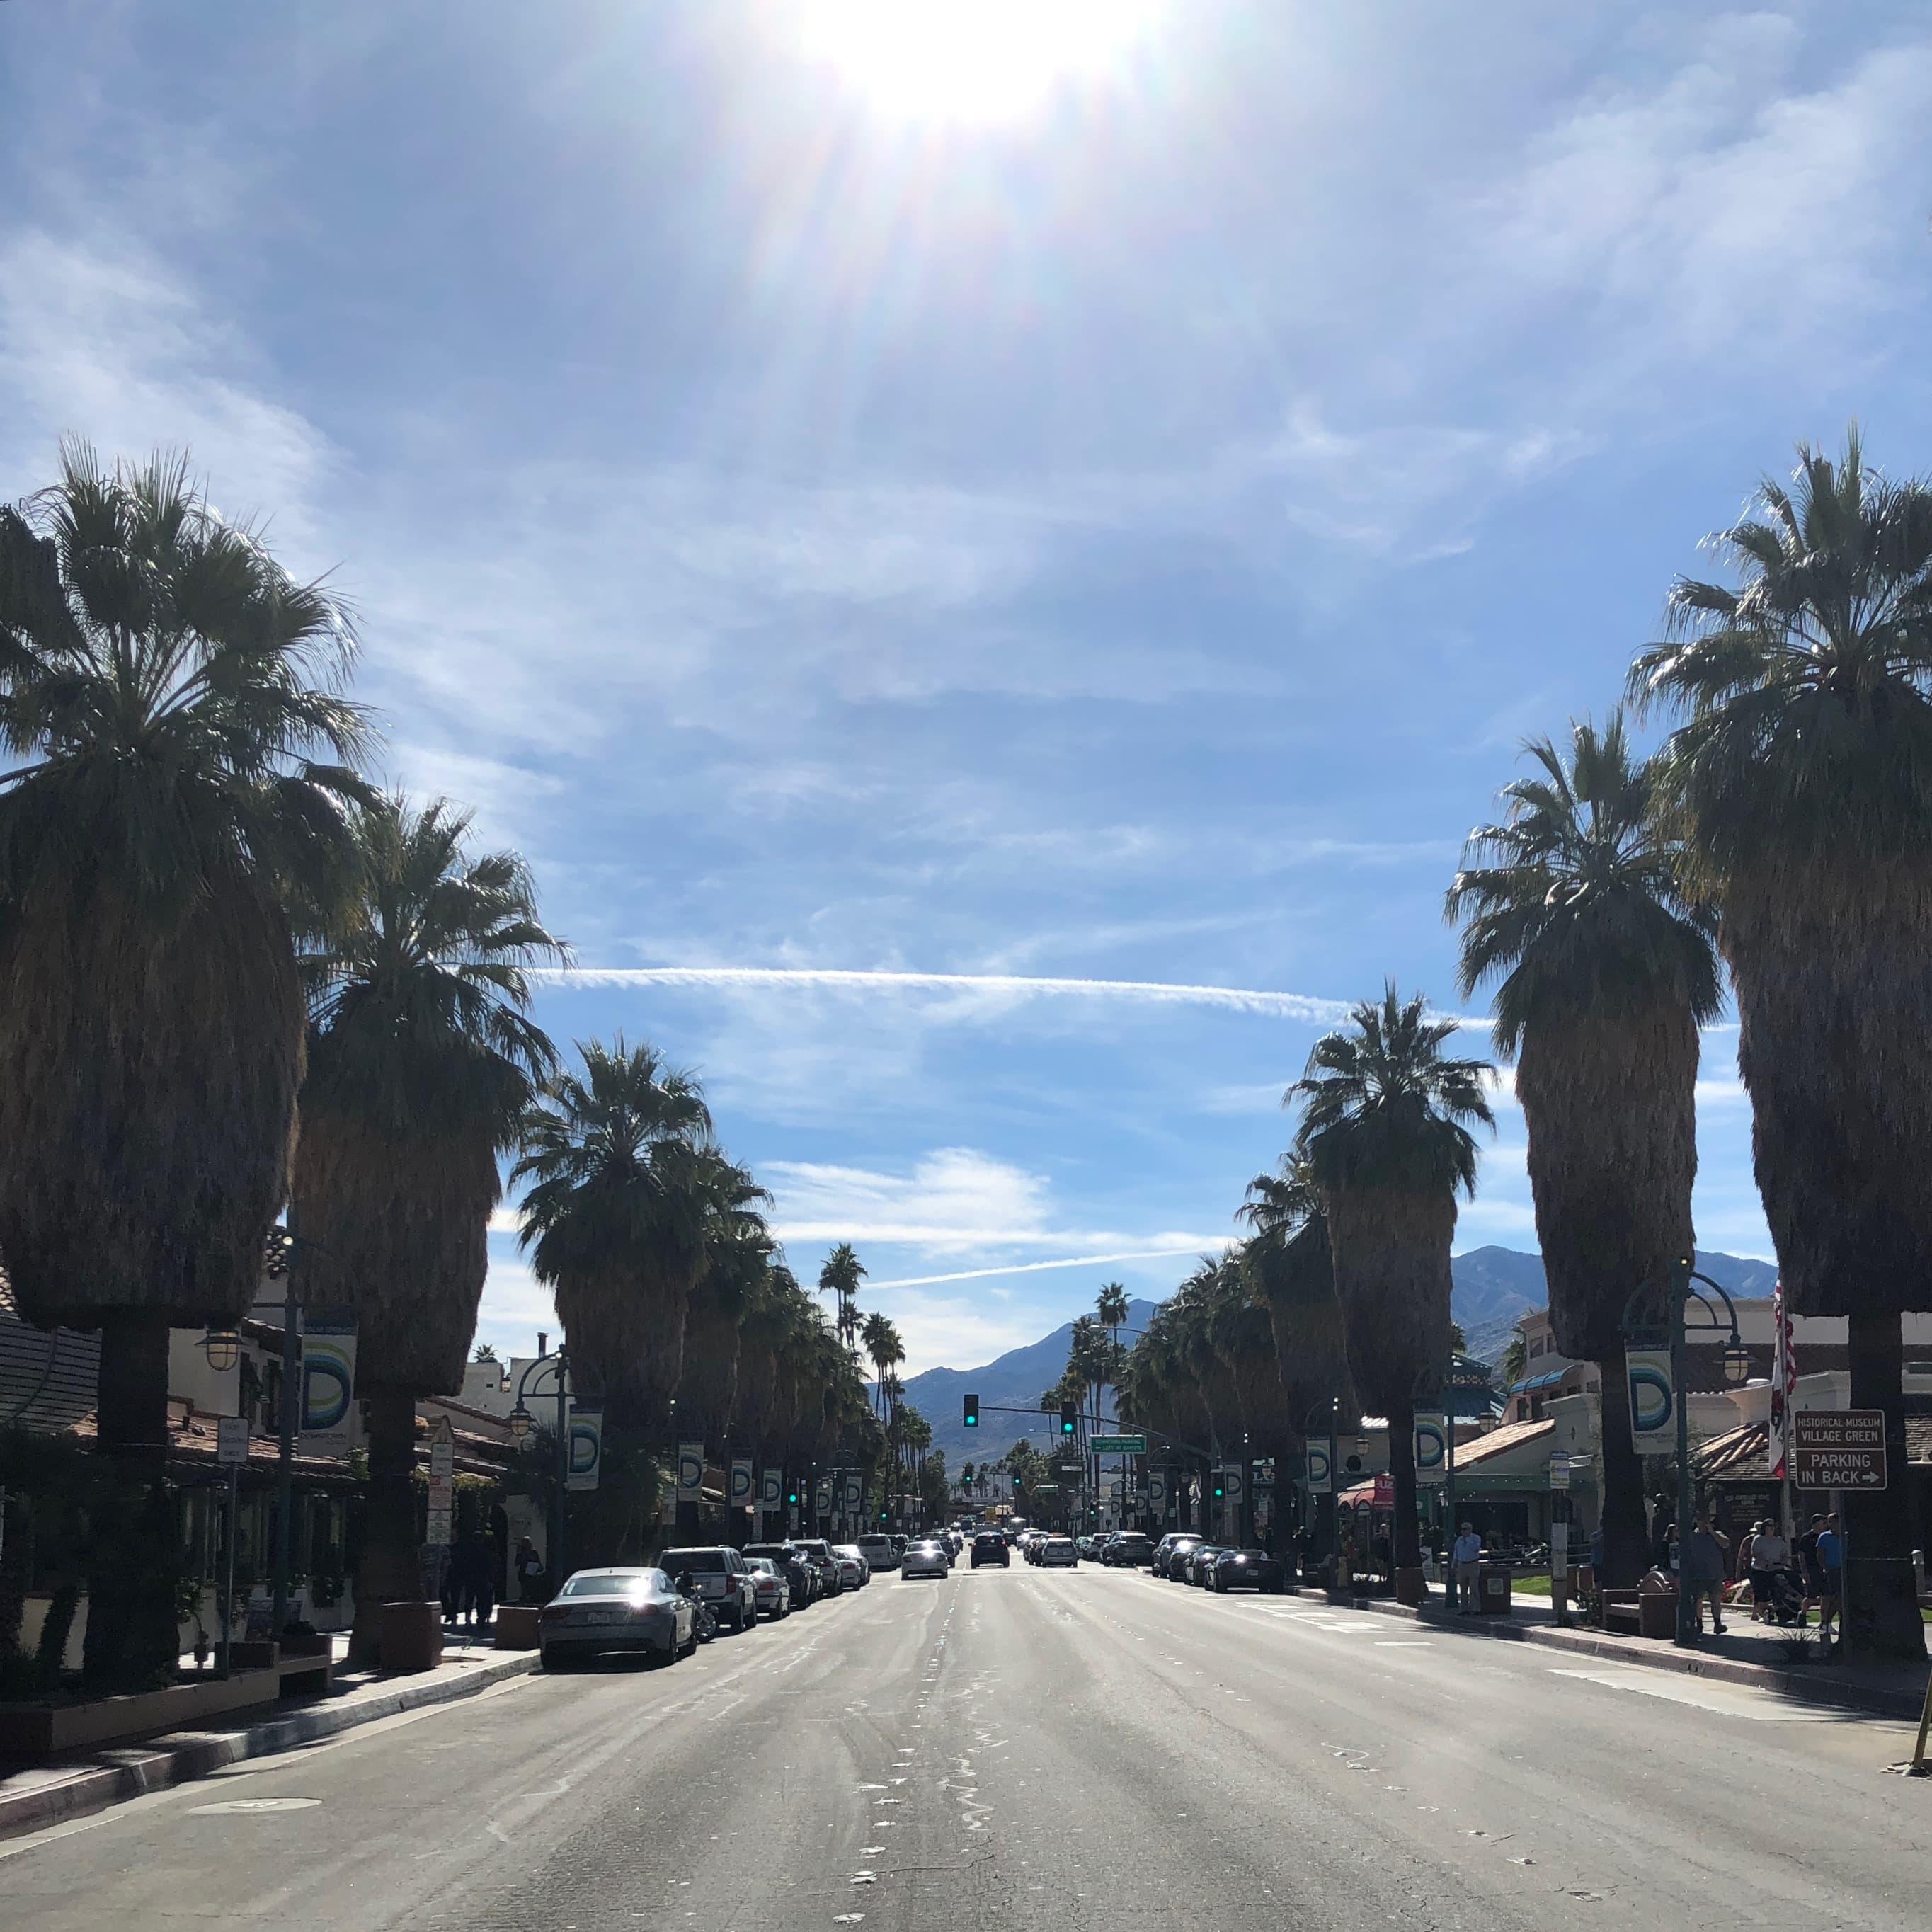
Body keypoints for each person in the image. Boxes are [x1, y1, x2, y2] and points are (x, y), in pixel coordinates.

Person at [1682, 1517, 1727, 1635]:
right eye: (1702, 1520)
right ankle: (1699, 1624)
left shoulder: (1717, 1534)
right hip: (1698, 1573)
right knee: (1699, 1599)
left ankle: (1718, 1624)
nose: (1705, 1523)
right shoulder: (1691, 1536)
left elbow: (1726, 1544)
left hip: (1715, 1572)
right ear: (1697, 1522)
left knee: (1716, 1599)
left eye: (1707, 1521)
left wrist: (1712, 1532)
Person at [1749, 1519, 1788, 1622]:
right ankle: (1763, 1614)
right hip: (1761, 1570)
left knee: (1777, 1591)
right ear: (1764, 1528)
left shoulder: (1779, 1541)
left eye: (1773, 1526)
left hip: (1776, 1569)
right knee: (1762, 1593)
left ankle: (1781, 1611)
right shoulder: (1759, 1539)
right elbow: (1755, 1554)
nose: (1772, 1528)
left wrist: (1782, 1563)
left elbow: (1784, 1554)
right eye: (1769, 1526)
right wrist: (1765, 1565)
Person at [1814, 1513, 1843, 1647]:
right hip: (1832, 1571)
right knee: (1835, 1596)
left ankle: (1828, 1621)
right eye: (1829, 1522)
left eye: (1833, 1521)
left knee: (1841, 1597)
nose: (1831, 1524)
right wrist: (1825, 1567)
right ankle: (1826, 1622)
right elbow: (1820, 1555)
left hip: (1845, 1570)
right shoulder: (1824, 1537)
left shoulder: (1845, 1535)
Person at [1451, 1521, 1483, 1614]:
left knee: (1474, 1587)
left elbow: (1476, 1548)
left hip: (1473, 1564)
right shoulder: (1459, 1540)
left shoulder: (1476, 1538)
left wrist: (1468, 1539)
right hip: (1462, 1565)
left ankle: (1476, 1608)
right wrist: (1454, 1564)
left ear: (1470, 1530)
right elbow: (1456, 1553)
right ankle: (1464, 1609)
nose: (1463, 1531)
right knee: (1463, 1588)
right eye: (1462, 1529)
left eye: (1465, 1529)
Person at [514, 1535, 547, 1604]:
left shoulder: (533, 1552)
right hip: (523, 1574)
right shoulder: (521, 1553)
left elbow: (539, 1564)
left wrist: (534, 1566)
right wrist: (520, 1553)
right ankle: (524, 1598)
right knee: (524, 1589)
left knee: (531, 1589)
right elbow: (517, 1562)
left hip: (531, 1574)